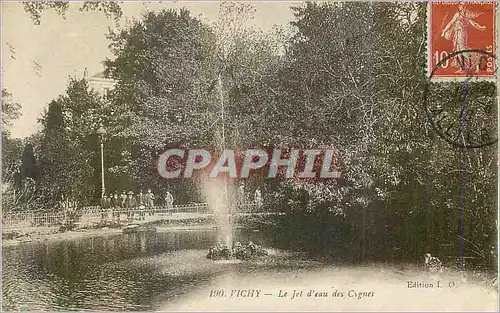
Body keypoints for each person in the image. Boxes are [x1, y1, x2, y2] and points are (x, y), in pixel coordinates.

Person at [441, 2, 486, 73]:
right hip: (459, 34)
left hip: (461, 34)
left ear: (464, 7)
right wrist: (480, 27)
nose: (460, 7)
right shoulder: (463, 15)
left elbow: (450, 23)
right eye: (460, 5)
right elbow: (451, 23)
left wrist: (480, 27)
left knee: (462, 50)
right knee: (458, 50)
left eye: (462, 6)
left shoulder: (460, 15)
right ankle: (462, 68)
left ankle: (473, 63)